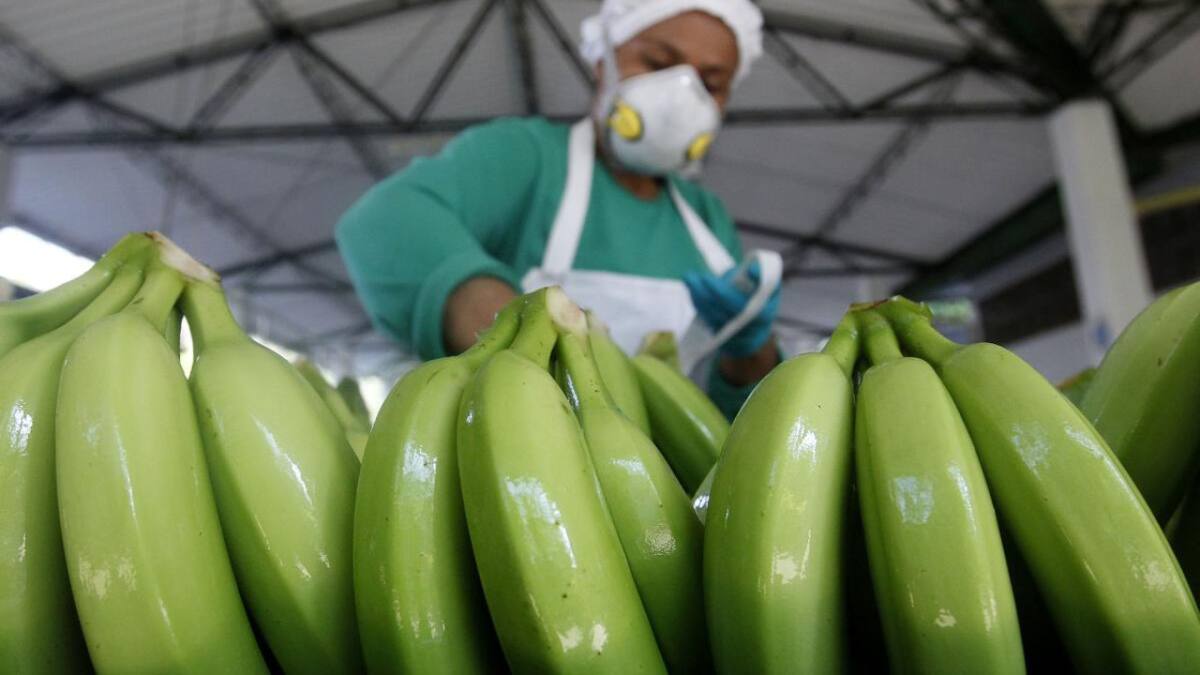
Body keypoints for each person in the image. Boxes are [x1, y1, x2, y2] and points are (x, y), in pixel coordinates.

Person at [336, 0, 781, 418]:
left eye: (711, 83)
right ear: (604, 62)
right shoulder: (529, 158)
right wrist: (520, 340)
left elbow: (741, 423)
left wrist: (748, 348)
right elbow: (385, 222)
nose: (683, 94)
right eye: (658, 64)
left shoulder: (708, 219)